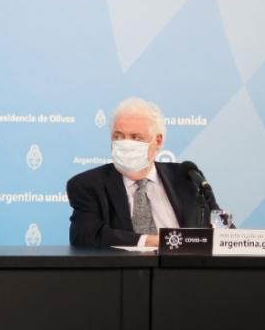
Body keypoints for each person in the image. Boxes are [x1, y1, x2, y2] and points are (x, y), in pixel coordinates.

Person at [67, 96, 218, 248]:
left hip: (185, 269)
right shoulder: (87, 185)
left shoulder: (186, 177)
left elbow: (222, 231)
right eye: (118, 136)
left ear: (158, 141)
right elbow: (84, 236)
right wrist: (154, 241)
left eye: (136, 138)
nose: (126, 144)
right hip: (125, 270)